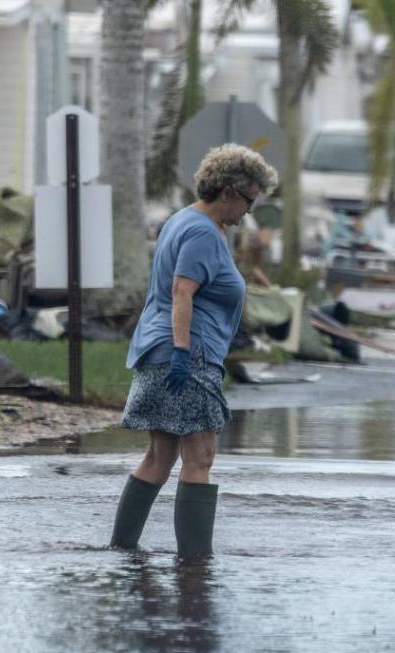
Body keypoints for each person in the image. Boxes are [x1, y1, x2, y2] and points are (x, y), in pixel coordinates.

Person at [109, 144, 278, 559]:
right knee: (200, 454)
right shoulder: (203, 231)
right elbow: (182, 291)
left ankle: (122, 548)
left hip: (159, 347)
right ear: (228, 192)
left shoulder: (183, 220)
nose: (249, 212)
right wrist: (184, 352)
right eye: (249, 201)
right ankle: (195, 564)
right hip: (186, 353)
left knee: (160, 455)